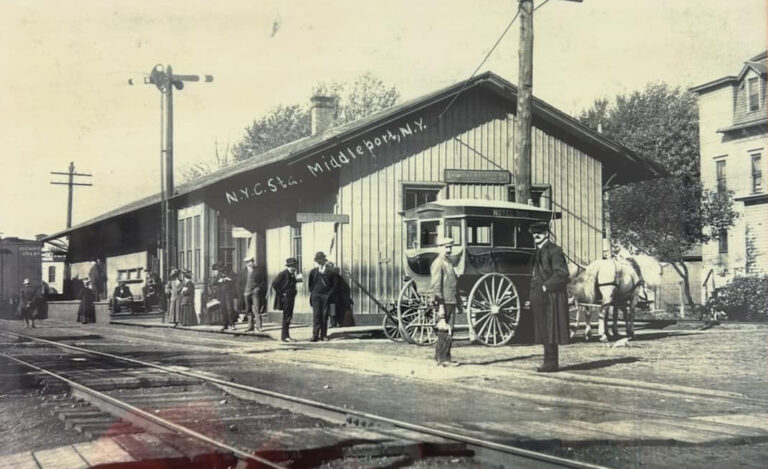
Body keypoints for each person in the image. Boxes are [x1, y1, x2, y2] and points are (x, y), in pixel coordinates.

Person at [528, 221, 570, 372]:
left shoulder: (554, 250)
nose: (536, 236)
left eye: (538, 233)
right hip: (538, 294)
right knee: (543, 329)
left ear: (546, 233)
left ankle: (551, 362)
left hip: (551, 296)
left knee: (550, 328)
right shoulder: (538, 251)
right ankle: (548, 360)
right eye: (534, 234)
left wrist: (546, 286)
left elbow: (562, 273)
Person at [430, 237, 460, 367]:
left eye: (450, 247)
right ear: (439, 248)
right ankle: (443, 359)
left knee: (447, 329)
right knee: (445, 329)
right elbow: (436, 286)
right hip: (445, 301)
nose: (449, 250)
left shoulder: (448, 263)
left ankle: (440, 356)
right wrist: (440, 304)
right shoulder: (438, 263)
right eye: (446, 247)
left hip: (450, 300)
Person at [308, 251, 338, 342]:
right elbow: (310, 285)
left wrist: (329, 294)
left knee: (324, 316)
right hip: (316, 296)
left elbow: (335, 284)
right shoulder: (313, 272)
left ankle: (324, 335)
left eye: (321, 260)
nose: (319, 262)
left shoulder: (331, 271)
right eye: (318, 261)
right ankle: (315, 335)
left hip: (326, 296)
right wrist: (314, 293)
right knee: (316, 315)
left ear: (324, 260)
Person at [271, 257, 300, 342]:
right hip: (286, 298)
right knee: (287, 317)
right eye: (293, 266)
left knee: (288, 317)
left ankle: (286, 336)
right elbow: (274, 284)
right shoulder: (283, 274)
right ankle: (285, 337)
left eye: (295, 266)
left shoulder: (291, 274)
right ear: (289, 266)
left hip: (291, 297)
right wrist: (282, 293)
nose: (294, 268)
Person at [239, 256, 266, 332]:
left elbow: (263, 281)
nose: (249, 263)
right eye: (247, 262)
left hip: (255, 292)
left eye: (250, 261)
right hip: (246, 293)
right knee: (248, 310)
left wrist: (258, 289)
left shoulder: (259, 270)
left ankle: (259, 326)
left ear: (253, 262)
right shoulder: (243, 272)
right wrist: (243, 291)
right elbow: (239, 283)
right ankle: (250, 326)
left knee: (257, 309)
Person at [210, 262, 236, 331]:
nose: (221, 271)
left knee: (230, 309)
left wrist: (228, 279)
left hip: (229, 294)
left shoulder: (230, 272)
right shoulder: (219, 274)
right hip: (221, 294)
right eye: (220, 270)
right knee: (223, 309)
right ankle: (225, 325)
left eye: (222, 269)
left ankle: (232, 324)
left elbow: (235, 280)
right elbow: (214, 282)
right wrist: (219, 280)